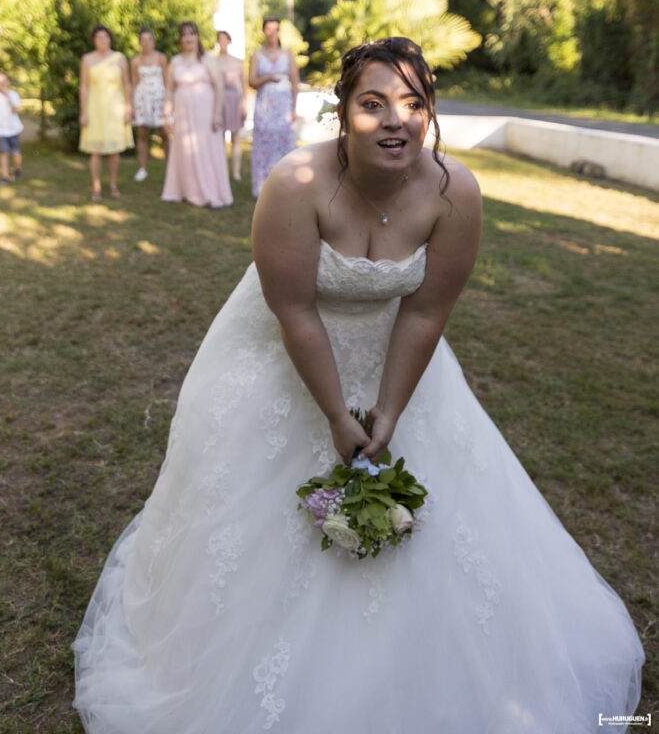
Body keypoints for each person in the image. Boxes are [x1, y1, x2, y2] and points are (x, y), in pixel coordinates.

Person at [74, 38, 643, 733]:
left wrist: (389, 410)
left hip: (395, 360)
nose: (394, 120)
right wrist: (338, 419)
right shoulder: (295, 184)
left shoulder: (452, 191)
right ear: (340, 112)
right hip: (281, 352)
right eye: (372, 104)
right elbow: (294, 310)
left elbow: (426, 309)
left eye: (412, 104)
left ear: (430, 114)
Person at [161, 21, 232, 209]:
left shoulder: (208, 59)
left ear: (197, 37)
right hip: (183, 114)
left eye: (191, 34)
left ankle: (209, 191)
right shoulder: (175, 61)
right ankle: (186, 190)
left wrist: (217, 114)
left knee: (205, 150)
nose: (188, 38)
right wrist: (167, 116)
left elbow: (219, 87)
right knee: (184, 149)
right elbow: (168, 90)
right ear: (180, 39)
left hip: (205, 113)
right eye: (184, 34)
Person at [79, 25, 133, 202]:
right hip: (95, 107)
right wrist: (84, 111)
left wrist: (128, 107)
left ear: (110, 39)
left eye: (105, 37)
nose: (103, 40)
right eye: (99, 37)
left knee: (114, 151)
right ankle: (96, 187)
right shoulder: (87, 59)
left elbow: (126, 84)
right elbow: (84, 86)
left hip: (115, 108)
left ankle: (113, 184)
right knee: (95, 151)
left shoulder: (120, 59)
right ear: (94, 40)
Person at [248, 15, 299, 197]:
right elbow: (251, 81)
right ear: (264, 31)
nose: (272, 34)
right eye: (268, 29)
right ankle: (262, 185)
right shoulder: (257, 54)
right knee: (264, 143)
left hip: (284, 105)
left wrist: (294, 108)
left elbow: (295, 81)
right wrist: (268, 78)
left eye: (275, 29)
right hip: (265, 105)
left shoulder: (288, 54)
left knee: (284, 142)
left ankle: (287, 183)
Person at [131, 28, 169, 182]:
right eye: (143, 39)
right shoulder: (135, 61)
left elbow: (167, 81)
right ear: (140, 42)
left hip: (159, 98)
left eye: (149, 39)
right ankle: (142, 168)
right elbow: (134, 83)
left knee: (164, 134)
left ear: (153, 41)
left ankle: (170, 167)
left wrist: (168, 101)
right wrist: (132, 105)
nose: (146, 43)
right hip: (142, 99)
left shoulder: (161, 58)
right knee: (142, 134)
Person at [216, 29, 246, 182]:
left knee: (235, 136)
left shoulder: (238, 62)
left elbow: (244, 84)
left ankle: (236, 172)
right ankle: (220, 170)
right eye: (219, 39)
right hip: (219, 101)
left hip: (234, 99)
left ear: (229, 41)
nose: (222, 42)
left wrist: (244, 103)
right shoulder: (213, 61)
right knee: (219, 137)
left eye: (225, 39)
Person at [0, 71, 24, 184]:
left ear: (8, 82)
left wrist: (7, 96)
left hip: (13, 129)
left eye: (2, 82)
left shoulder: (13, 94)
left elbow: (14, 109)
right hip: (0, 130)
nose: (0, 84)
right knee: (3, 153)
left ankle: (17, 167)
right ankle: (5, 176)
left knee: (16, 153)